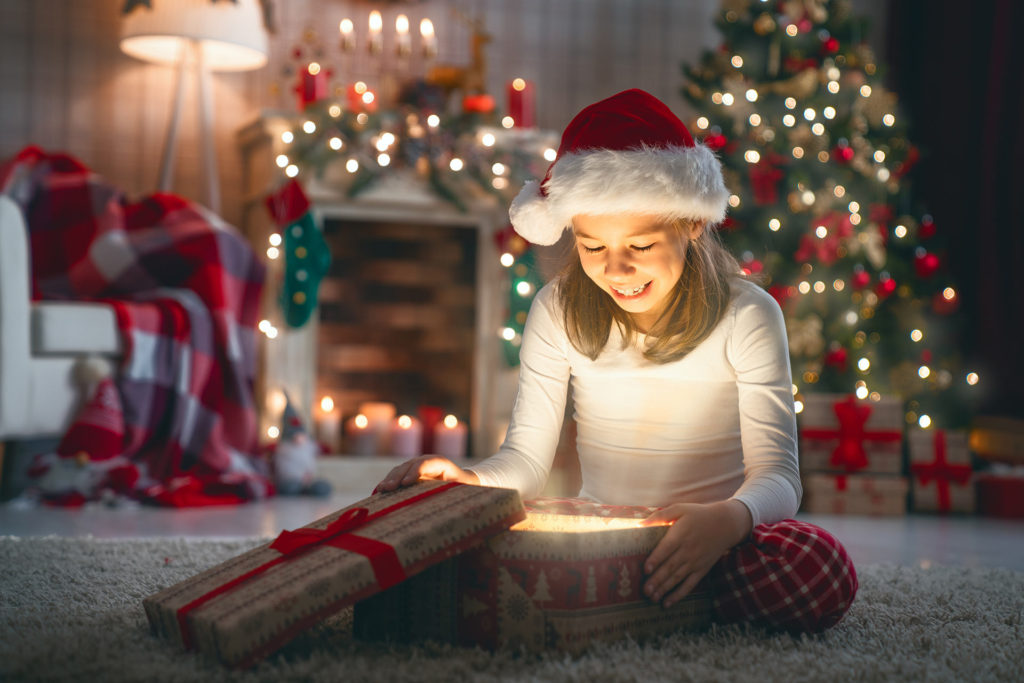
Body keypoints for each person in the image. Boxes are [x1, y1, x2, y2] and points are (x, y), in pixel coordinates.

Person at [376, 89, 857, 632]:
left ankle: (632, 599)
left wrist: (729, 519)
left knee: (818, 566)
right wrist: (468, 480)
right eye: (593, 248)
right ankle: (659, 602)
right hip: (602, 531)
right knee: (462, 542)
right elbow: (527, 466)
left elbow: (779, 477)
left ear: (692, 223)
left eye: (642, 246)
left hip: (712, 537)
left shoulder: (748, 314)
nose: (618, 270)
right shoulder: (556, 310)